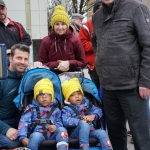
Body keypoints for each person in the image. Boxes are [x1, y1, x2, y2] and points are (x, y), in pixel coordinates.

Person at [91, 0, 150, 149]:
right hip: (108, 86)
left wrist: (145, 81)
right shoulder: (97, 16)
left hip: (132, 86)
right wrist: (101, 62)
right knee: (115, 134)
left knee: (140, 135)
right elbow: (95, 41)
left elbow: (148, 46)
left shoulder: (136, 8)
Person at [0, 44, 42, 148]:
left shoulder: (26, 76)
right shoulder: (2, 79)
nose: (22, 62)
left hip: (19, 120)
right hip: (3, 122)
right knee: (11, 143)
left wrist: (38, 69)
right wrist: (6, 129)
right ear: (10, 57)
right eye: (19, 58)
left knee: (39, 135)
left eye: (25, 59)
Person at [61, 78, 112, 150]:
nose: (77, 96)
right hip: (75, 133)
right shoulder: (67, 109)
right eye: (72, 95)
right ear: (68, 98)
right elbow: (65, 121)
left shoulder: (88, 104)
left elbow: (99, 111)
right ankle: (85, 147)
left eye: (79, 94)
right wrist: (80, 121)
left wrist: (93, 116)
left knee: (102, 132)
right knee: (84, 125)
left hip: (91, 132)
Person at [18, 78, 68, 150]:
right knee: (36, 136)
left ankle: (62, 148)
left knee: (62, 130)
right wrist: (22, 137)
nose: (44, 97)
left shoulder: (56, 110)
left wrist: (56, 127)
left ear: (52, 97)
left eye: (47, 94)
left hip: (52, 135)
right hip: (37, 135)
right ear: (36, 98)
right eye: (40, 95)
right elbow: (24, 122)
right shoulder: (31, 109)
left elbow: (60, 122)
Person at [38, 5, 86, 72]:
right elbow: (41, 64)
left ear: (67, 25)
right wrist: (59, 64)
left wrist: (68, 63)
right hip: (51, 76)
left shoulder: (75, 40)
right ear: (53, 25)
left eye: (63, 24)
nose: (60, 28)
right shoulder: (46, 41)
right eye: (57, 24)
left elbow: (83, 63)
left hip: (72, 77)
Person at [79, 0, 102, 89]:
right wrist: (100, 45)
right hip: (94, 65)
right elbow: (82, 44)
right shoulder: (87, 26)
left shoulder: (113, 23)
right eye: (99, 8)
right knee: (96, 88)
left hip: (111, 64)